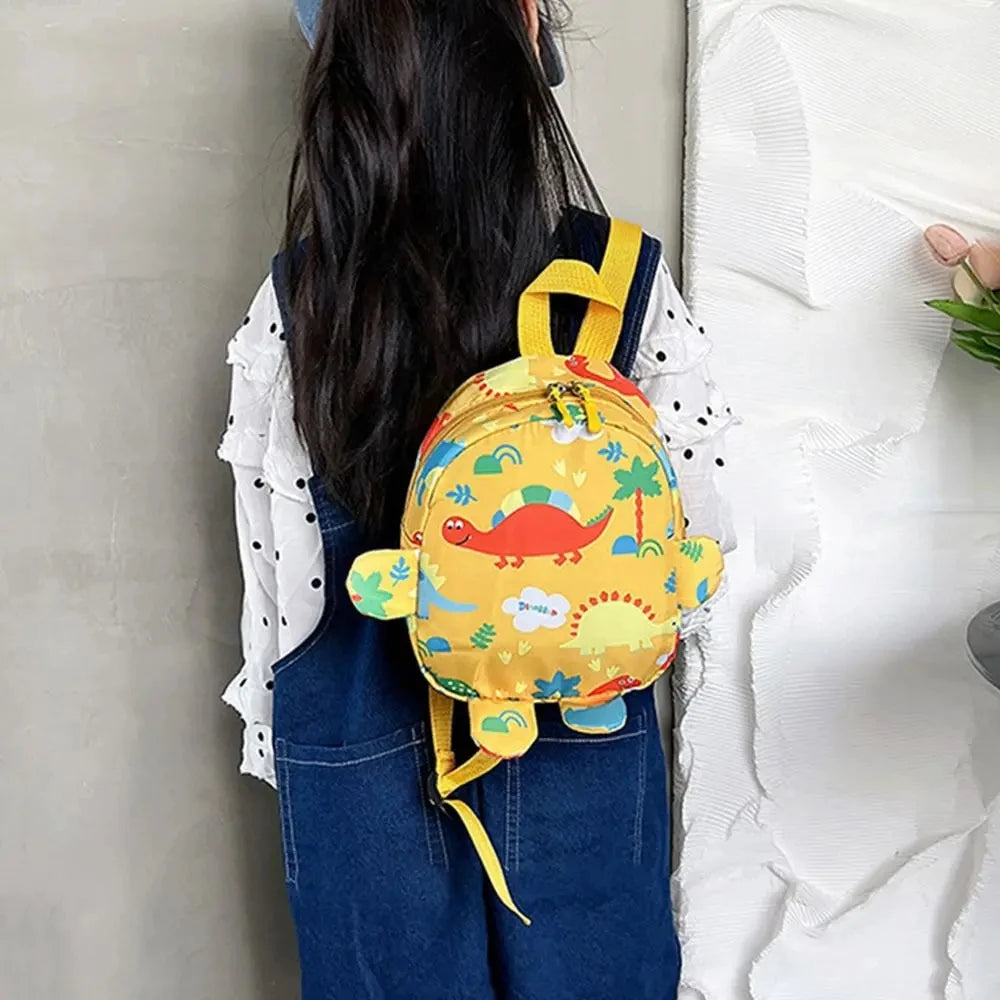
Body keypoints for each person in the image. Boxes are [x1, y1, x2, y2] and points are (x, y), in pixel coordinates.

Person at [219, 1, 735, 996]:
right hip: (581, 728)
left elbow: (286, 604)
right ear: (526, 34)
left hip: (366, 750)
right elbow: (697, 549)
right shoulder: (621, 284)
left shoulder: (299, 302)